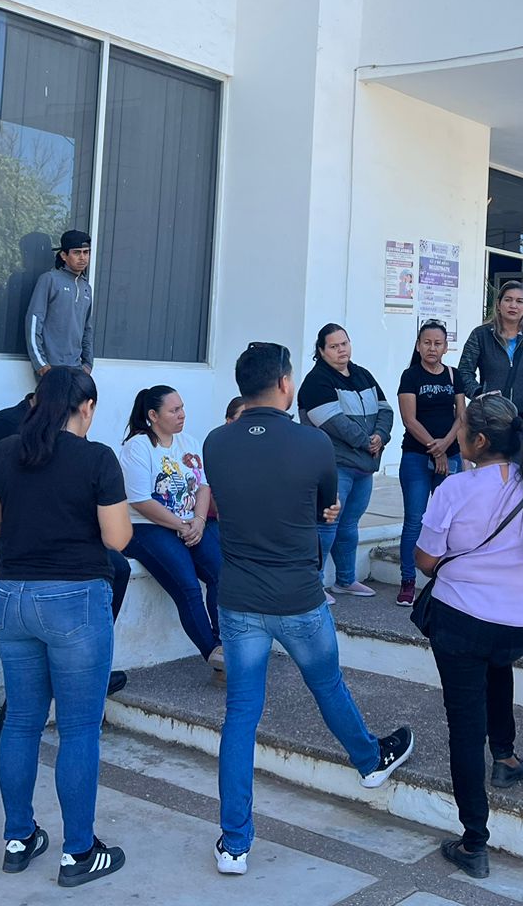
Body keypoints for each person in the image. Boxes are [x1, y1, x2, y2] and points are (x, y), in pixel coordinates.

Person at [206, 342, 415, 876]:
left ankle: (234, 844)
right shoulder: (313, 443)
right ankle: (369, 764)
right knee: (327, 685)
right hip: (298, 595)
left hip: (240, 599)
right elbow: (327, 503)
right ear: (284, 384)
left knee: (240, 716)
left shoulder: (215, 443)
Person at [0, 367, 133, 887]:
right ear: (85, 407)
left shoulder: (4, 451)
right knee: (79, 729)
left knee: (22, 721)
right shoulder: (97, 458)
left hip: (13, 597)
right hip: (74, 599)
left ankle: (18, 839)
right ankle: (79, 852)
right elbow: (117, 538)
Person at [416, 394, 523, 878]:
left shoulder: (454, 489)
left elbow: (424, 561)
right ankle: (506, 755)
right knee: (498, 669)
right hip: (518, 626)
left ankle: (474, 840)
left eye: (461, 428)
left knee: (463, 727)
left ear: (476, 441)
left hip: (461, 622)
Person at [0, 393, 131, 747]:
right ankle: (72, 672)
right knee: (79, 732)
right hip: (26, 564)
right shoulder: (7, 432)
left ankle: (81, 669)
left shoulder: (15, 445)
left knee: (120, 570)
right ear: (85, 407)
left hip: (21, 587)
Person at [118, 385, 223, 670]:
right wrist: (182, 525)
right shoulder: (137, 447)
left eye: (182, 408)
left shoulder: (188, 441)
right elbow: (140, 501)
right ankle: (213, 652)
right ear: (153, 415)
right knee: (187, 584)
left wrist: (199, 522)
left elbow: (203, 486)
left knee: (221, 573)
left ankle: (225, 641)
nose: (182, 415)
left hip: (190, 523)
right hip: (147, 527)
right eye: (174, 410)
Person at [297, 323, 393, 601]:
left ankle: (345, 580)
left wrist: (381, 436)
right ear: (321, 351)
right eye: (334, 346)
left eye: (345, 344)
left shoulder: (363, 375)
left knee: (350, 525)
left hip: (364, 466)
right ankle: (314, 585)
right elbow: (334, 424)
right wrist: (367, 441)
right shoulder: (316, 382)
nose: (341, 350)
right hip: (334, 467)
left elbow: (385, 410)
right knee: (326, 526)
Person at [396, 319, 466, 606]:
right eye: (427, 342)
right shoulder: (410, 376)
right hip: (416, 457)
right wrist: (435, 451)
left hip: (451, 456)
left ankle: (444, 578)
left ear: (446, 346)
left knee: (450, 521)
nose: (432, 348)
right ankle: (408, 581)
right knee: (415, 520)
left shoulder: (454, 375)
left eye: (438, 343)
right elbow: (409, 419)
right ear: (418, 345)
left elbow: (462, 415)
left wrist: (446, 446)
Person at [457, 280, 523, 440]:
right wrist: (479, 394)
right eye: (508, 299)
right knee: (494, 465)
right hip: (491, 419)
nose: (513, 305)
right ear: (498, 304)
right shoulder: (481, 335)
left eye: (519, 301)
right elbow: (464, 372)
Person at [25, 228, 94, 378]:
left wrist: (88, 364)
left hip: (77, 370)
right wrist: (41, 364)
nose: (82, 257)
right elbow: (34, 322)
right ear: (64, 255)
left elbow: (87, 329)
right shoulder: (49, 280)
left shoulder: (86, 288)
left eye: (86, 252)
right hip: (51, 368)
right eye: (77, 252)